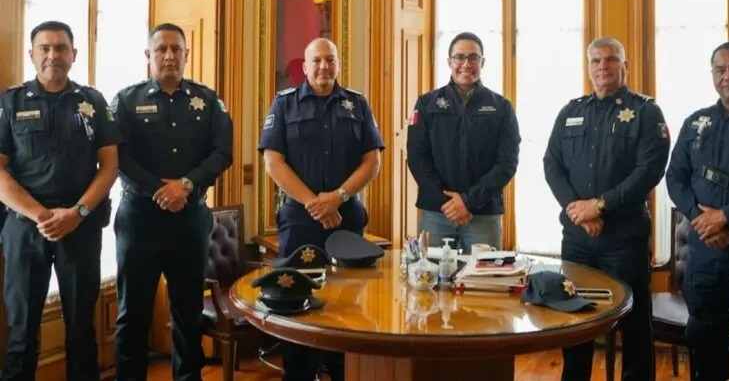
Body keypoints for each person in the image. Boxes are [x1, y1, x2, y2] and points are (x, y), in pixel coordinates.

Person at [543, 36, 670, 381]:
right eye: (596, 61)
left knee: (633, 321)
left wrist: (599, 207)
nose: (603, 67)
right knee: (574, 316)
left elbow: (649, 171)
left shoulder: (646, 112)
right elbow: (551, 163)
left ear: (624, 66)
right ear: (588, 68)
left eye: (611, 59)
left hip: (623, 235)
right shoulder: (572, 111)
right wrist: (577, 210)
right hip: (577, 237)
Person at [111, 23, 233, 381]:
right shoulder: (126, 100)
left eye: (176, 49)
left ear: (186, 55)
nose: (168, 56)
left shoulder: (208, 100)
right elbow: (119, 154)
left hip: (189, 220)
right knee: (132, 315)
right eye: (161, 49)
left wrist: (186, 185)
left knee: (188, 312)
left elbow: (222, 152)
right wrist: (158, 190)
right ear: (148, 56)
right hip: (139, 221)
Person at [258, 37, 384, 381]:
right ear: (305, 67)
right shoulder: (284, 104)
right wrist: (316, 203)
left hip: (346, 217)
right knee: (295, 296)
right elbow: (273, 162)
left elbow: (372, 161)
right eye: (317, 61)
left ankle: (343, 372)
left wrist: (338, 197)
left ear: (339, 65)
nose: (324, 67)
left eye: (331, 60)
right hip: (301, 220)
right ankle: (300, 374)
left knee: (348, 300)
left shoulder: (357, 104)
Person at [0, 20, 120, 381]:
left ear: (73, 54)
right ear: (32, 54)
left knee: (82, 329)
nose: (53, 55)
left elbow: (110, 165)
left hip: (80, 227)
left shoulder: (93, 102)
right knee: (21, 331)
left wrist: (78, 212)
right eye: (45, 48)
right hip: (25, 229)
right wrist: (41, 215)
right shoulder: (11, 101)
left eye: (61, 48)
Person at [666, 41, 729, 381]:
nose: (728, 76)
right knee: (705, 340)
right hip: (706, 249)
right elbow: (676, 177)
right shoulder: (696, 122)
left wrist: (727, 216)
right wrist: (702, 218)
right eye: (720, 69)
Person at [407, 31, 520, 252]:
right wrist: (448, 204)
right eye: (459, 57)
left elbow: (507, 164)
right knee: (431, 281)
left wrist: (468, 202)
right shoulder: (426, 103)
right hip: (436, 214)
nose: (466, 64)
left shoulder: (502, 107)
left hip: (483, 214)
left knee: (483, 283)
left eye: (473, 57)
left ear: (482, 62)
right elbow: (417, 157)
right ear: (449, 62)